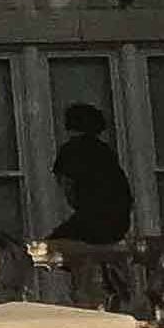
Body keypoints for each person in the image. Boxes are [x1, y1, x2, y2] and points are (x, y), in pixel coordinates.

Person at [51, 102, 135, 246]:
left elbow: (68, 184)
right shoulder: (104, 151)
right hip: (118, 221)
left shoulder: (72, 151)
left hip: (93, 220)